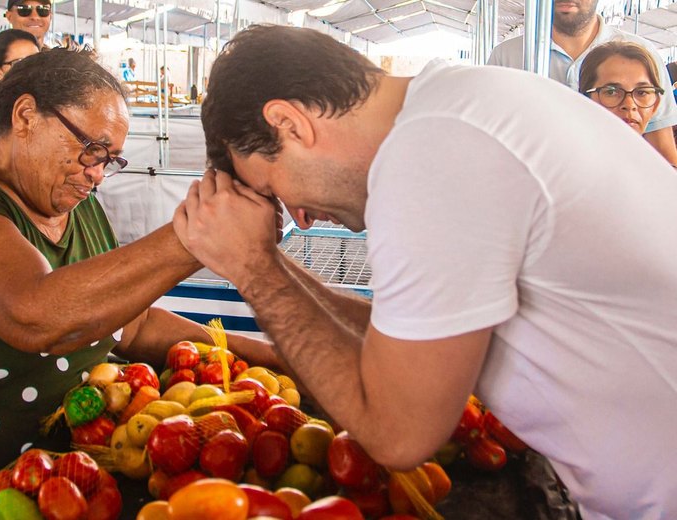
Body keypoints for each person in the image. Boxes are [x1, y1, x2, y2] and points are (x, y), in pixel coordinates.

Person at [173, 25, 677, 520]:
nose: (298, 216)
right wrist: (267, 262)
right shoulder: (458, 111)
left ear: (288, 123)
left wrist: (255, 268)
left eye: (273, 184)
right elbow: (407, 345)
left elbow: (398, 433)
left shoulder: (432, 154)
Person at [0, 47, 275, 519]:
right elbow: (35, 314)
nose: (99, 173)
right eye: (92, 149)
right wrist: (197, 236)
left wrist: (269, 356)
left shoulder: (77, 207)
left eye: (111, 160)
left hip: (37, 487)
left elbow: (133, 325)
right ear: (26, 116)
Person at [487, 0, 677, 165]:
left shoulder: (641, 53)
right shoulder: (507, 56)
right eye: (612, 92)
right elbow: (490, 141)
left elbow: (663, 150)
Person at [0, 0, 52, 148]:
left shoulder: (55, 60)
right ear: (9, 15)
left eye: (43, 10)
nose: (34, 16)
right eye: (24, 10)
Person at [578, 42, 665, 142]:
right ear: (584, 101)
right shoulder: (564, 156)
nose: (629, 104)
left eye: (641, 93)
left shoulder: (652, 157)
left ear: (655, 105)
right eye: (611, 92)